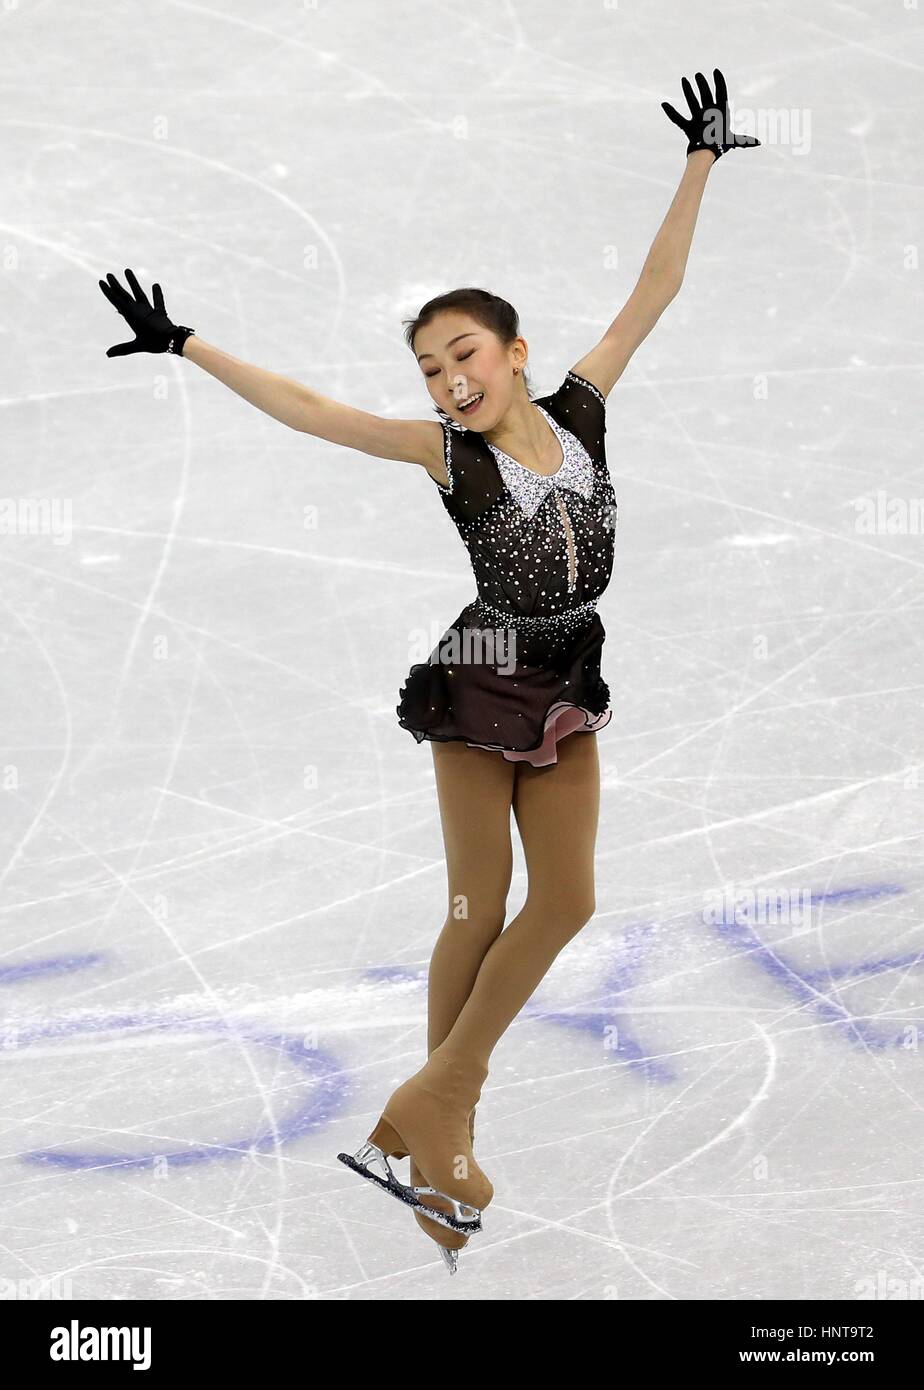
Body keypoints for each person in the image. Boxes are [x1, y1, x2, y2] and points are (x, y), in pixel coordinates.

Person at [98, 69, 758, 1276]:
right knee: (475, 904)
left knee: (567, 903)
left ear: (515, 352)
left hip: (566, 670)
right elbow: (310, 412)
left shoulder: (585, 408)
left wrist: (702, 160)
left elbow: (656, 288)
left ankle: (431, 1102)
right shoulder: (447, 461)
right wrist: (189, 344)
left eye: (464, 356)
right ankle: (441, 1130)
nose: (448, 382)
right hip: (483, 670)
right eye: (429, 369)